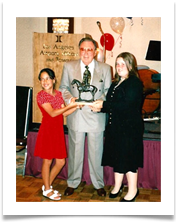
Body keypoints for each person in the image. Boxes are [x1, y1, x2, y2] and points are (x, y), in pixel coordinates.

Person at [59, 37, 112, 197]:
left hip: (96, 116)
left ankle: (98, 184)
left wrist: (100, 102)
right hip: (76, 115)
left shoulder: (105, 68)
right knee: (75, 151)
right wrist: (71, 100)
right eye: (83, 49)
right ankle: (72, 182)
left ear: (95, 51)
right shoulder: (69, 66)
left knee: (96, 151)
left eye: (89, 49)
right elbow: (63, 87)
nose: (86, 52)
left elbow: (108, 91)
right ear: (79, 50)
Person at [90, 52, 144, 202]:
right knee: (117, 157)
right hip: (116, 128)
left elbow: (127, 105)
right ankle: (117, 186)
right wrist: (100, 108)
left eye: (123, 64)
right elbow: (113, 105)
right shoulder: (115, 83)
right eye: (117, 64)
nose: (119, 67)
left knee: (128, 159)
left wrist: (104, 105)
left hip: (129, 129)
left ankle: (133, 190)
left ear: (130, 65)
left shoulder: (134, 83)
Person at [34, 68, 77, 201]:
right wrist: (70, 106)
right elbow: (52, 113)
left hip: (57, 131)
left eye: (47, 78)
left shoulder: (58, 94)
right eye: (42, 79)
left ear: (53, 80)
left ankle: (46, 186)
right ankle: (47, 188)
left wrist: (76, 107)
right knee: (47, 161)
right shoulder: (41, 95)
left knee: (60, 161)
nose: (45, 81)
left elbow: (63, 114)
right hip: (47, 131)